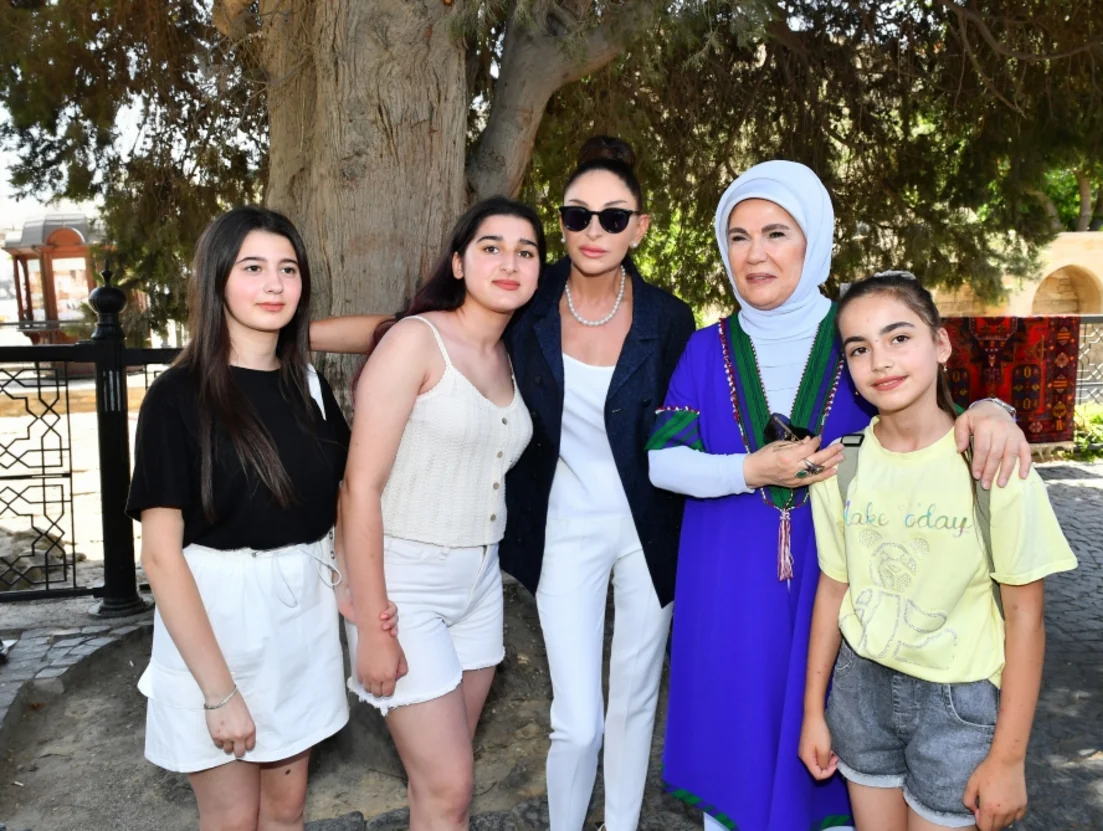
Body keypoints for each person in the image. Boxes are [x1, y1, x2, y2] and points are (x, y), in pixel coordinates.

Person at [312, 137, 695, 831]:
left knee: (633, 700)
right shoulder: (530, 298)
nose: (594, 230)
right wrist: (284, 332)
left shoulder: (667, 318)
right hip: (552, 529)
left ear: (639, 227)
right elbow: (400, 332)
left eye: (614, 217)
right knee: (570, 725)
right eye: (577, 215)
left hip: (640, 529)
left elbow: (688, 415)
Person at [647, 161, 1033, 831]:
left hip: (842, 587)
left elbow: (933, 410)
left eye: (776, 233)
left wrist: (993, 408)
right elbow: (662, 462)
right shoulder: (705, 349)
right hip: (728, 583)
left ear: (816, 240)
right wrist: (750, 469)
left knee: (840, 748)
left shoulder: (859, 334)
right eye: (738, 236)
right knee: (737, 744)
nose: (755, 254)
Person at [128, 206, 392, 830]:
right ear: (216, 279)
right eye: (253, 268)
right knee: (232, 819)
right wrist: (219, 693)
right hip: (217, 621)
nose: (275, 284)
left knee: (286, 813)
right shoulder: (177, 396)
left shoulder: (308, 385)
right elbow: (161, 557)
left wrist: (344, 585)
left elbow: (328, 502)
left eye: (288, 269)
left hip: (301, 621)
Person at [799, 271, 1077, 831]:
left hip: (960, 706)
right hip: (859, 693)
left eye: (899, 337)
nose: (880, 361)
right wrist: (813, 711)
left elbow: (1026, 618)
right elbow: (833, 589)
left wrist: (1008, 760)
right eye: (859, 348)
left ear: (941, 344)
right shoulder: (842, 467)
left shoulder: (994, 466)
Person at [338, 197, 542, 829]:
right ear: (458, 263)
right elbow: (359, 487)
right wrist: (373, 622)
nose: (509, 263)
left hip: (480, 584)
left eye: (526, 252)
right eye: (491, 248)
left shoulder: (513, 354)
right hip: (405, 583)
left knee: (440, 789)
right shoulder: (416, 341)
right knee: (450, 788)